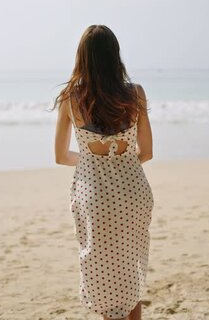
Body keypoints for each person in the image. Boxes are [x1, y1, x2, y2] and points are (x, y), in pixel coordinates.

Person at [52, 24, 154, 320]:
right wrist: (118, 163)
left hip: (95, 196)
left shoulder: (71, 98)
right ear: (115, 56)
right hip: (134, 192)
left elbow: (60, 156)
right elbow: (146, 152)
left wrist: (92, 162)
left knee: (104, 277)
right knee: (130, 268)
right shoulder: (135, 94)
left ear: (82, 58)